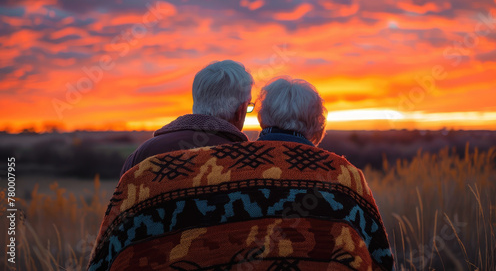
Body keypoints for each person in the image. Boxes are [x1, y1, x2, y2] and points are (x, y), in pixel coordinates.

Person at [89, 77, 394, 271]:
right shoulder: (345, 176)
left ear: (262, 119)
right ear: (320, 126)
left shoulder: (215, 167)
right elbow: (380, 258)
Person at [119, 60, 254, 177]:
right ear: (240, 110)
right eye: (248, 106)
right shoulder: (247, 161)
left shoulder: (142, 155)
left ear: (197, 101)